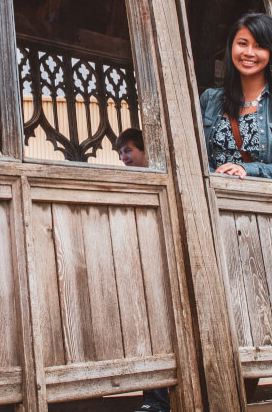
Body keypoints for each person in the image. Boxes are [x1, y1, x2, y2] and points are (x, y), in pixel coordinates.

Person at [200, 13, 272, 180]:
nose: (249, 53)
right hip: (212, 197)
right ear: (232, 47)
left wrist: (246, 169)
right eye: (242, 44)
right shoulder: (209, 100)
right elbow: (195, 157)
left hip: (259, 202)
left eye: (259, 46)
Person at [114, 129, 169, 412]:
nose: (124, 157)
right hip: (141, 266)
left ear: (145, 151)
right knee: (148, 335)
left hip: (165, 267)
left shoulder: (162, 176)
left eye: (128, 151)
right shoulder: (130, 183)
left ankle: (159, 402)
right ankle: (154, 401)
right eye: (120, 153)